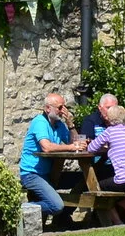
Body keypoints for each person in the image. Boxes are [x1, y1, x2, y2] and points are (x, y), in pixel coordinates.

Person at [18, 91, 82, 220]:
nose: (63, 111)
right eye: (59, 107)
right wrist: (71, 147)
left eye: (64, 107)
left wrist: (70, 124)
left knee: (82, 179)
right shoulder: (40, 122)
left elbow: (76, 142)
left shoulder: (59, 125)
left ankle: (63, 218)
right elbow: (46, 147)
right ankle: (19, 211)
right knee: (56, 205)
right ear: (48, 109)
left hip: (50, 173)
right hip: (32, 174)